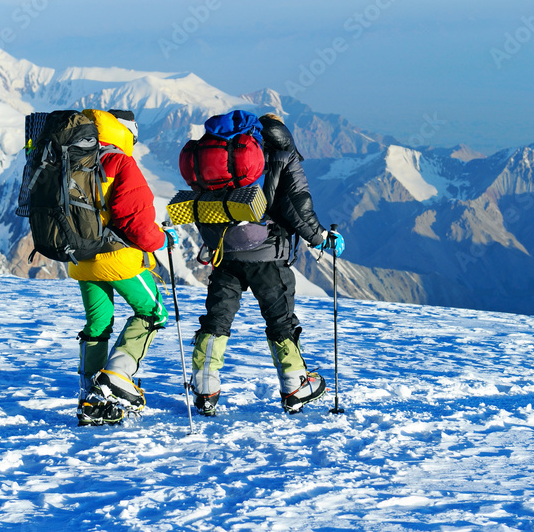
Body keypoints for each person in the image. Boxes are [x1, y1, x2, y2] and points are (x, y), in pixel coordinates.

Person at [190, 112, 345, 415]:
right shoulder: (283, 158)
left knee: (217, 319)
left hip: (224, 252)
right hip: (267, 254)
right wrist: (321, 238)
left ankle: (205, 388)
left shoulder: (224, 159)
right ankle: (295, 386)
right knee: (280, 320)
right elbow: (298, 207)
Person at [69, 108, 178, 426]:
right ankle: (117, 376)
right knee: (153, 312)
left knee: (97, 325)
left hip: (80, 260)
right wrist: (161, 238)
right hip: (118, 259)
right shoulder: (119, 162)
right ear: (124, 131)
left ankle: (90, 398)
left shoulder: (66, 159)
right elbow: (138, 226)